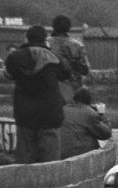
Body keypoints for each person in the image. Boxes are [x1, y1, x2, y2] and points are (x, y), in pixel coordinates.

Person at [4, 24, 71, 164]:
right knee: (51, 164)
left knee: (24, 162)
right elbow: (66, 74)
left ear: (27, 38)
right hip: (50, 115)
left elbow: (8, 74)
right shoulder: (55, 58)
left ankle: (26, 186)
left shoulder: (14, 57)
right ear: (44, 39)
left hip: (24, 115)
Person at [47, 14, 90, 103]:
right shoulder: (78, 46)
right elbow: (85, 70)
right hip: (73, 91)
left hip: (50, 90)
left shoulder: (45, 44)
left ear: (53, 27)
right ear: (69, 27)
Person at [60, 86, 112, 159]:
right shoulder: (90, 113)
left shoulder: (63, 110)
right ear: (89, 101)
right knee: (94, 136)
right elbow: (106, 134)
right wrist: (101, 114)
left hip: (61, 153)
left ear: (74, 98)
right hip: (80, 156)